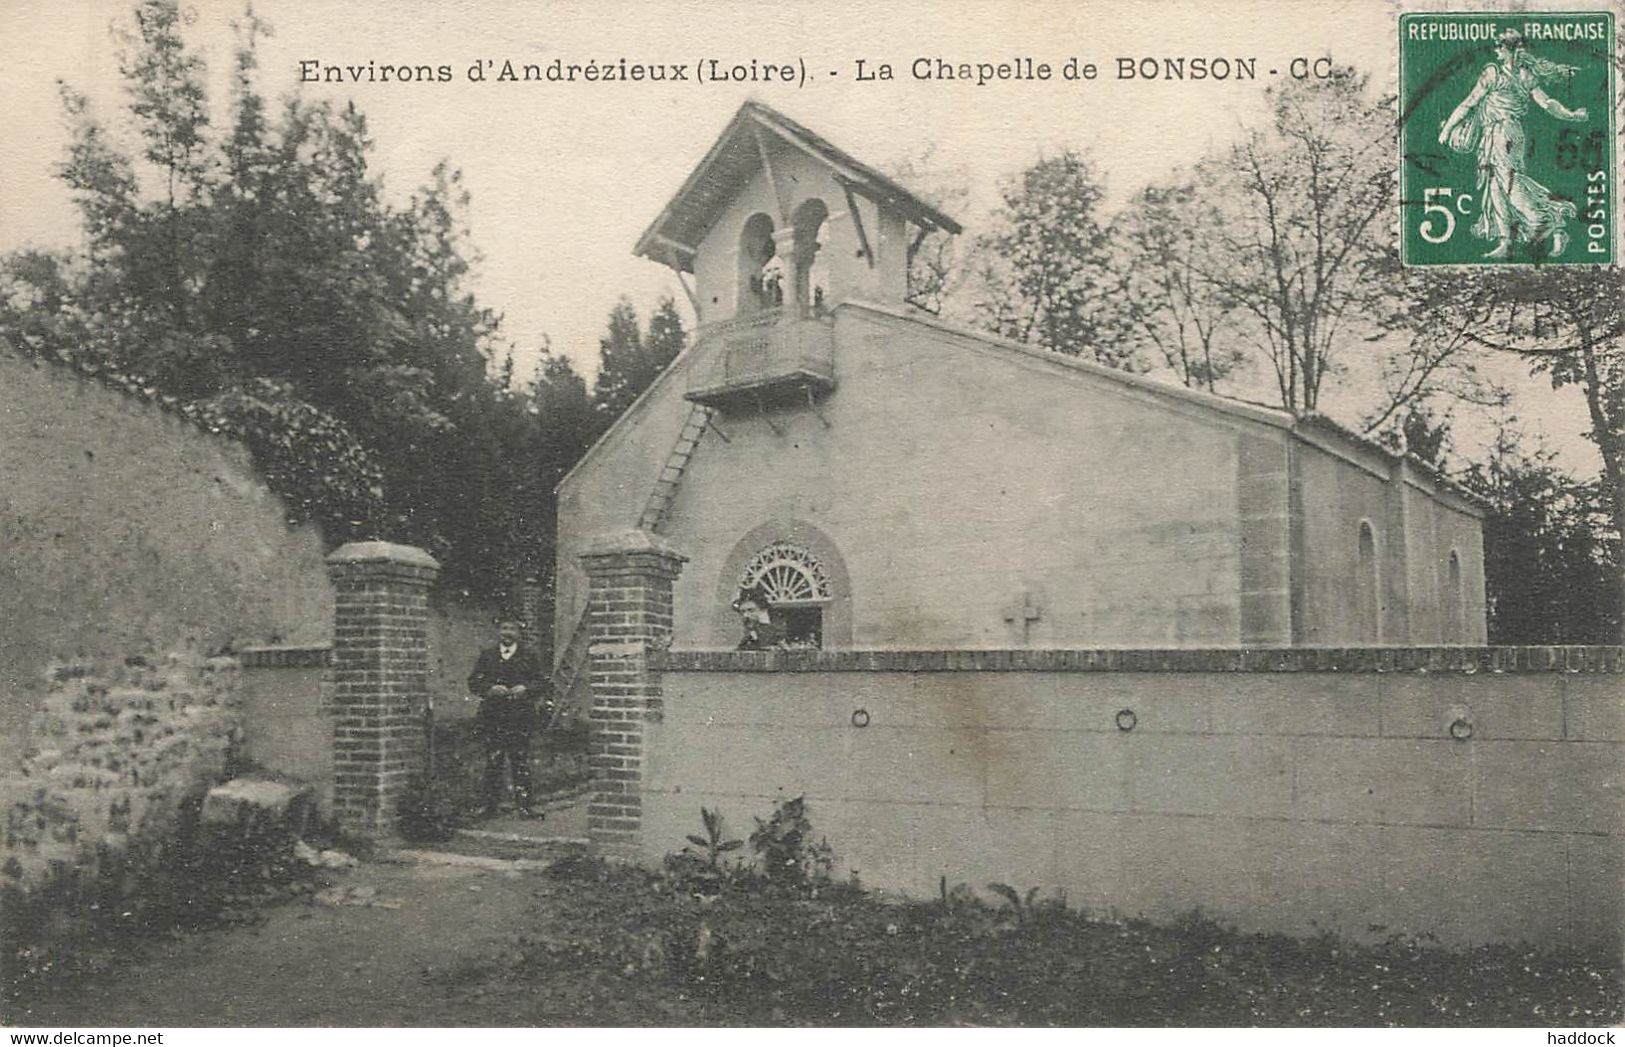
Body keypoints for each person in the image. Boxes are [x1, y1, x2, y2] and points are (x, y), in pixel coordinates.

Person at [1437, 28, 1588, 258]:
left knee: (1509, 184)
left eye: (1499, 45)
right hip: (1493, 134)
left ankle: (1551, 220)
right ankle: (1506, 241)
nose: (1496, 49)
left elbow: (1546, 103)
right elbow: (1547, 103)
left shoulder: (1498, 74)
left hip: (1504, 133)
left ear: (1511, 49)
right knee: (1495, 185)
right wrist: (1571, 115)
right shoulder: (1514, 74)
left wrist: (1447, 129)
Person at [467, 617, 547, 817]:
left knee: (520, 761)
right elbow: (474, 681)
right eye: (504, 628)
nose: (507, 632)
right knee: (494, 761)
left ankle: (525, 807)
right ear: (498, 631)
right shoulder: (487, 656)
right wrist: (490, 688)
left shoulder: (529, 656)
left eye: (511, 629)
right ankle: (490, 807)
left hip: (520, 717)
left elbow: (543, 682)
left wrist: (526, 688)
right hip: (494, 717)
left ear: (518, 633)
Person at [732, 585, 786, 651]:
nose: (745, 615)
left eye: (751, 610)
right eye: (742, 612)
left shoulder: (778, 634)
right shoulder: (748, 637)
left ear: (763, 610)